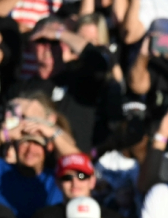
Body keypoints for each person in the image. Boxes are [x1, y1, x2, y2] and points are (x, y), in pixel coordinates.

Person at [9, 16, 110, 152]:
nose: (48, 47)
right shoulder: (20, 89)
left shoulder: (81, 79)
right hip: (33, 167)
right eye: (41, 41)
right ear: (31, 46)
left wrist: (60, 33)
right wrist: (15, 108)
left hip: (75, 167)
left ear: (65, 45)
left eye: (55, 42)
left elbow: (99, 62)